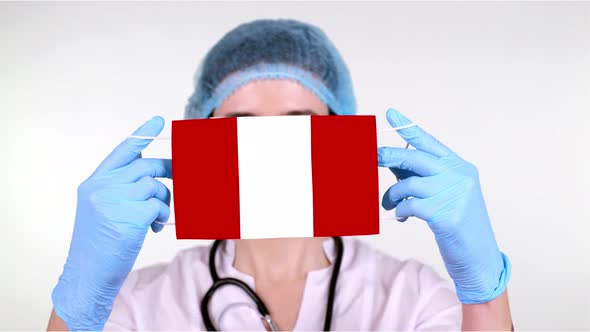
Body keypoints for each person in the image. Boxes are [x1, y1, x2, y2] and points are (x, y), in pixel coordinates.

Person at [47, 19, 513, 331]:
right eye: (239, 125)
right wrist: (79, 307)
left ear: (341, 132)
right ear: (199, 138)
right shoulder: (142, 304)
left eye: (300, 122)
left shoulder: (410, 297)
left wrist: (485, 291)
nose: (269, 145)